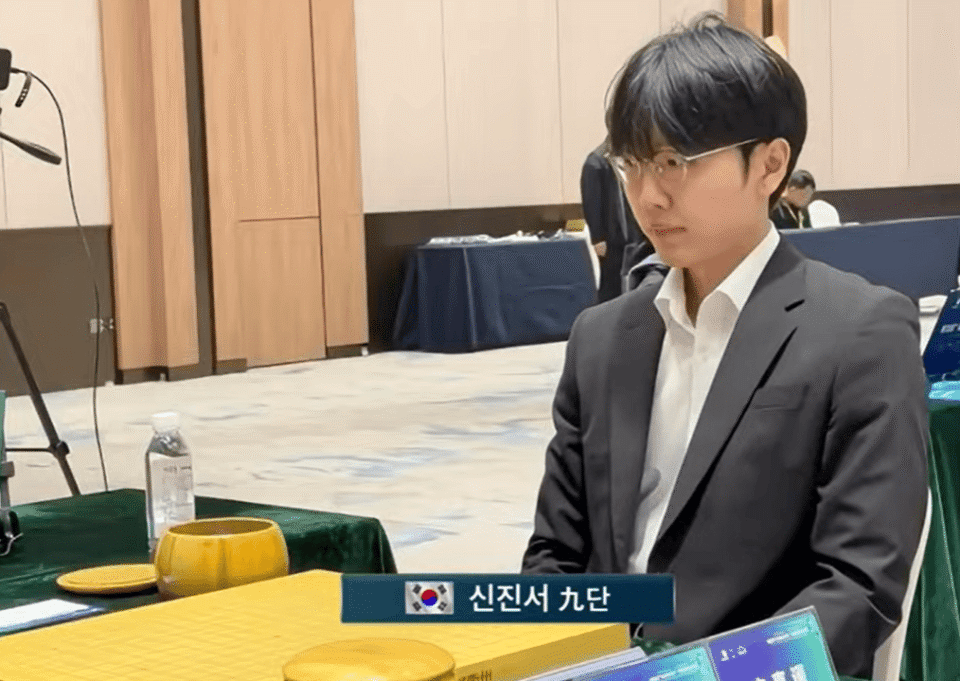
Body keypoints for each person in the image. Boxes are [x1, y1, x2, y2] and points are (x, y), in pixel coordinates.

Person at [521, 13, 928, 680]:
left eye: (674, 162)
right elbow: (553, 557)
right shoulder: (601, 339)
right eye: (632, 164)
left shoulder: (860, 331)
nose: (647, 196)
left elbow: (859, 585)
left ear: (770, 164)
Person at [580, 147, 650, 303]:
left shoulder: (627, 157)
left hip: (632, 234)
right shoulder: (596, 162)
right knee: (612, 285)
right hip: (612, 236)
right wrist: (597, 237)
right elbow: (591, 202)